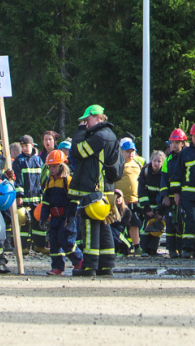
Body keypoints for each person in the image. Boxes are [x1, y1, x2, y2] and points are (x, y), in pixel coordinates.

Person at [69, 104, 121, 277]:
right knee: (104, 228)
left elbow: (77, 151)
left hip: (94, 191)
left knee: (90, 228)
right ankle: (107, 265)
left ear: (98, 117)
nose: (85, 123)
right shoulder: (110, 135)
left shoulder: (99, 136)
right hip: (105, 191)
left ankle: (90, 266)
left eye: (87, 120)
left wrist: (79, 132)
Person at [168, 123, 195, 258]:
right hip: (188, 194)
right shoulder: (184, 154)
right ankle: (187, 248)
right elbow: (177, 174)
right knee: (190, 220)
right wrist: (176, 193)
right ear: (191, 137)